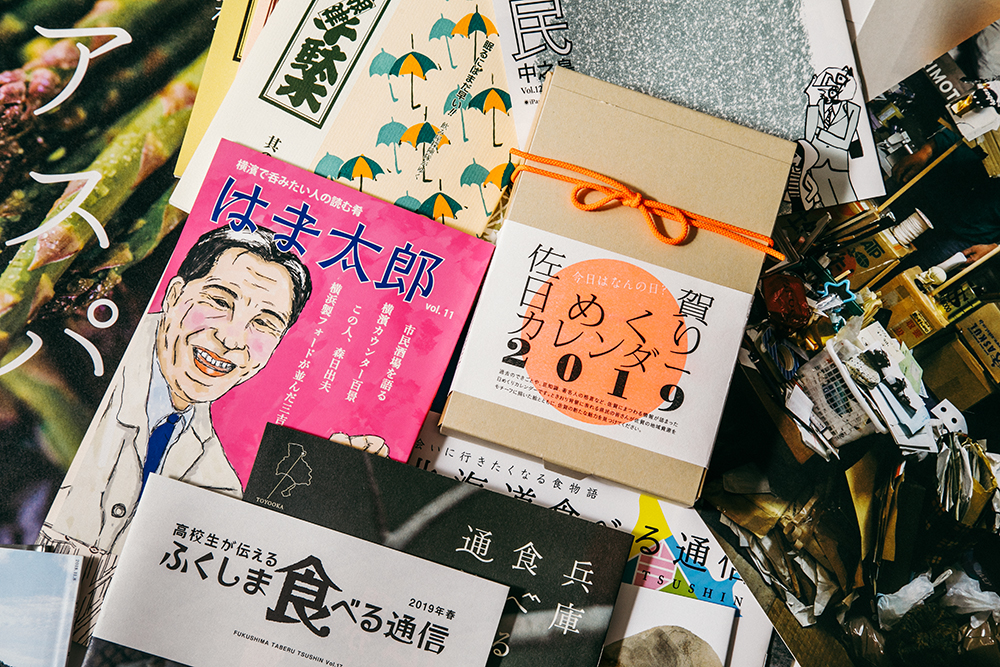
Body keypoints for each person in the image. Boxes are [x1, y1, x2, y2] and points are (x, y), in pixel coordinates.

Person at [43, 225, 312, 554]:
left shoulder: (220, 481)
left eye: (264, 323)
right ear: (173, 295)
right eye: (219, 301)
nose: (231, 339)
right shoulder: (86, 348)